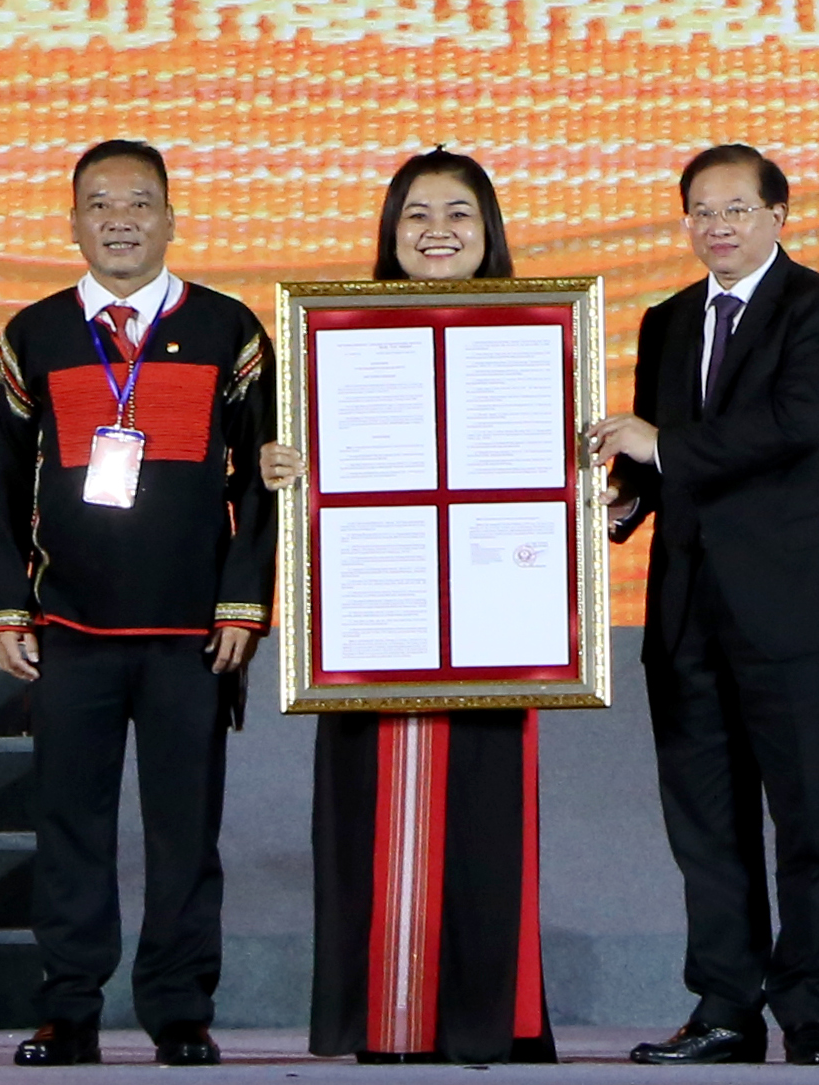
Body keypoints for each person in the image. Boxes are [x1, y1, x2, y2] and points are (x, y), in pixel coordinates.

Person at [588, 144, 819, 1067]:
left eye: (735, 210)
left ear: (777, 216)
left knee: (809, 822)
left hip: (797, 609)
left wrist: (662, 448)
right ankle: (723, 1008)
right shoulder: (668, 319)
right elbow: (654, 455)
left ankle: (808, 1011)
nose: (716, 227)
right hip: (687, 612)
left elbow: (800, 425)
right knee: (706, 828)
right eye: (700, 212)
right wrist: (623, 499)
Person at [0, 139, 275, 1068]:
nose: (119, 220)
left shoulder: (230, 330)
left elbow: (264, 480)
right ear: (72, 222)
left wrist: (242, 602)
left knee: (186, 831)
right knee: (70, 824)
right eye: (100, 204)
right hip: (68, 626)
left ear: (170, 218)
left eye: (139, 202)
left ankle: (179, 1010)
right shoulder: (32, 335)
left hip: (193, 633)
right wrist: (7, 606)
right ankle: (68, 1009)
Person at [259, 149, 557, 1065]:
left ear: (488, 229)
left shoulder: (542, 338)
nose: (437, 230)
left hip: (494, 626)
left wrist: (597, 489)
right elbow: (301, 475)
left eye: (458, 213)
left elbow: (558, 484)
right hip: (374, 620)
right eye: (416, 213)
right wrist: (282, 463)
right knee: (370, 820)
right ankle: (385, 1022)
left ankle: (484, 1022)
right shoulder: (337, 339)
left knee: (483, 824)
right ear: (389, 231)